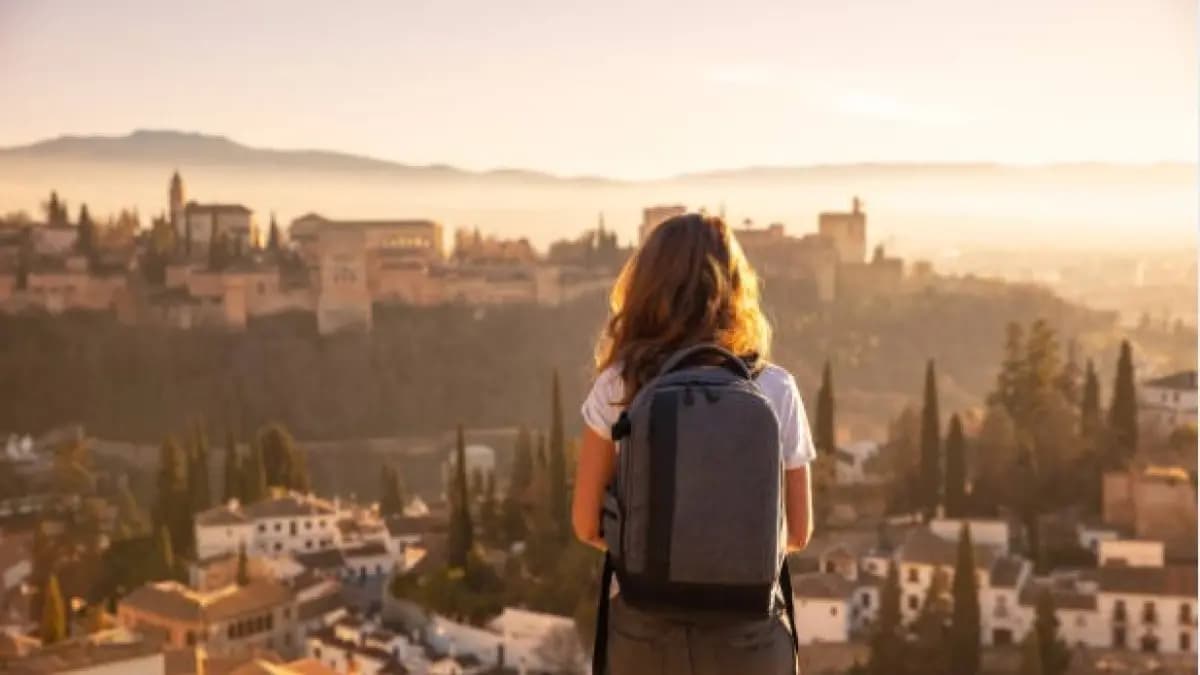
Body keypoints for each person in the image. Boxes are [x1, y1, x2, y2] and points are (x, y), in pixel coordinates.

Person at [572, 212, 816, 675]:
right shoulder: (776, 389)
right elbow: (798, 532)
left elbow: (586, 524)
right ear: (736, 289)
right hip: (749, 636)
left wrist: (658, 552)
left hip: (645, 632)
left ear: (645, 287)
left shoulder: (618, 385)